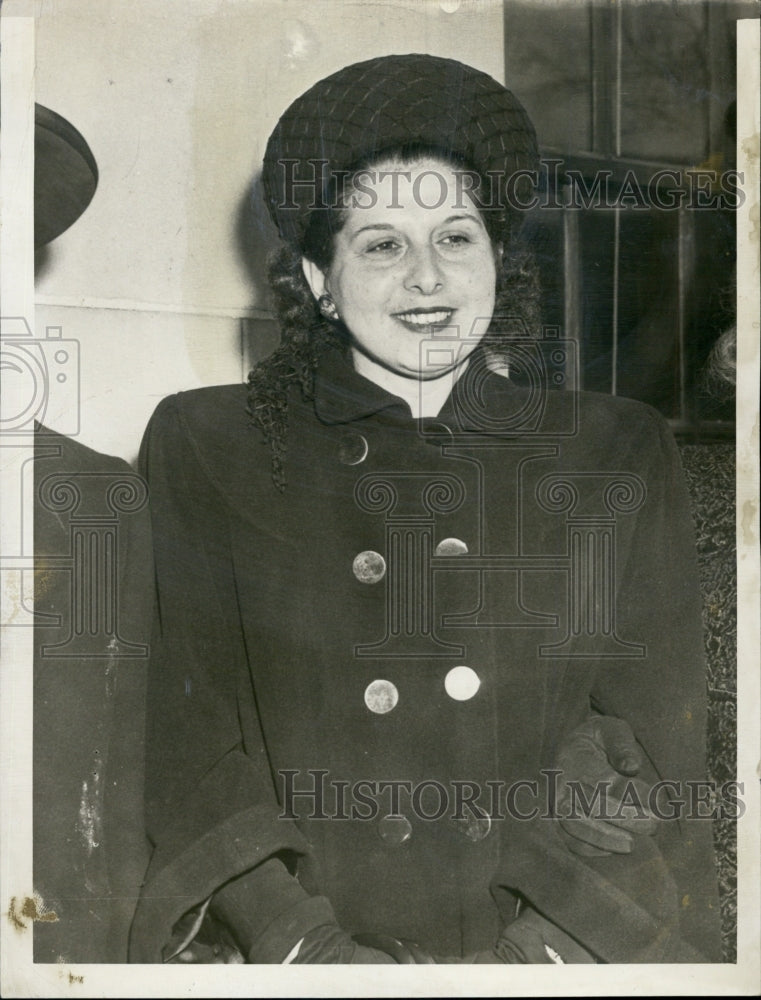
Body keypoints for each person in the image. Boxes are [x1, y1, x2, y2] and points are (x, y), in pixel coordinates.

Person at [129, 54, 721, 965]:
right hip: (295, 951)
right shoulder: (212, 445)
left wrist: (532, 963)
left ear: (495, 259)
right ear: (319, 279)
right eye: (380, 244)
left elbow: (659, 750)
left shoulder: (613, 450)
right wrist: (305, 950)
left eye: (455, 237)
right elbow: (182, 737)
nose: (426, 278)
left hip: (549, 950)